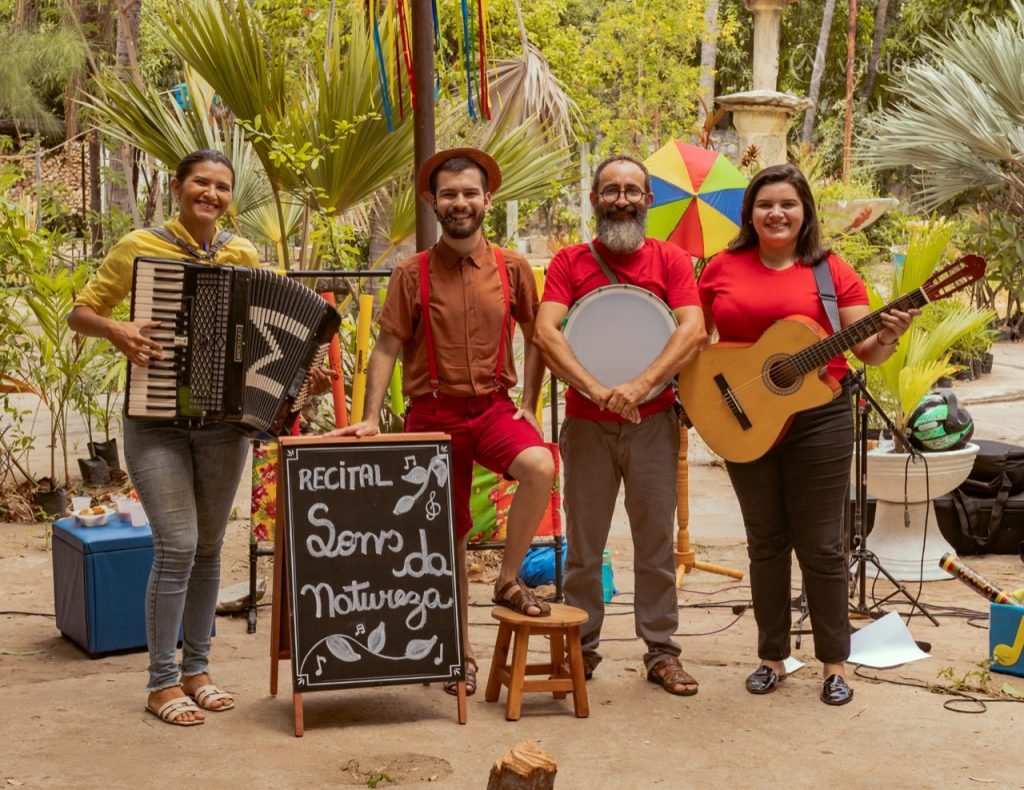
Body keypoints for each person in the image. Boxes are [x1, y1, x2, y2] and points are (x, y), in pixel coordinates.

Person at [68, 149, 332, 726]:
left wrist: (298, 373)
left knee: (210, 548)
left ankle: (198, 670)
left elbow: (267, 334)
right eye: (201, 184)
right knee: (179, 545)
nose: (211, 195)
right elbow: (81, 312)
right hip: (155, 422)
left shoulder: (241, 254)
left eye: (221, 187)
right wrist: (117, 329)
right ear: (178, 186)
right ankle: (162, 682)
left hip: (222, 426)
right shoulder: (139, 248)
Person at [330, 148, 554, 697]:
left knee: (540, 466)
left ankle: (507, 581)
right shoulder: (412, 273)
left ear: (487, 200)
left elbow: (538, 335)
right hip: (433, 412)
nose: (460, 203)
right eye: (449, 194)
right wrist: (369, 421)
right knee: (444, 532)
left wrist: (530, 398)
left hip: (495, 408)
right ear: (433, 201)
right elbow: (385, 348)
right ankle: (461, 652)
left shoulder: (512, 267)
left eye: (469, 193)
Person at [697, 163, 917, 706]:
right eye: (765, 203)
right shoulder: (720, 268)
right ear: (750, 212)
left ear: (805, 212)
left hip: (818, 421)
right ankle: (772, 657)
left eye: (788, 204)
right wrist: (703, 393)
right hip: (742, 416)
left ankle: (834, 665)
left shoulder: (832, 273)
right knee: (766, 543)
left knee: (822, 546)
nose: (776, 213)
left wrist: (888, 337)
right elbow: (697, 339)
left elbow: (866, 348)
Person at [533, 155, 706, 696]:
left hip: (653, 422)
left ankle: (661, 651)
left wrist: (638, 386)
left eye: (634, 190)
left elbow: (693, 329)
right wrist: (594, 387)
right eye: (611, 191)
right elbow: (546, 331)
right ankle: (579, 649)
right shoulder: (568, 261)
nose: (623, 199)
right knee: (584, 547)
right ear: (594, 201)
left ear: (650, 200)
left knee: (655, 545)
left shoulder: (672, 261)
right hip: (587, 424)